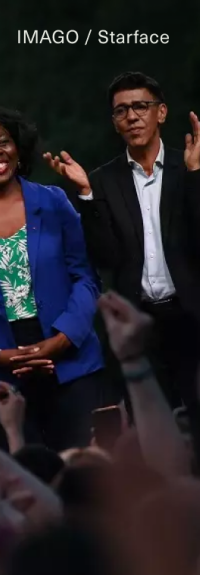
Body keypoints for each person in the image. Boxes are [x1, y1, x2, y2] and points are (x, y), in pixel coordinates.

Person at [43, 72, 200, 447]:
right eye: (121, 110)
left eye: (141, 106)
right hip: (138, 323)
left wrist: (197, 176)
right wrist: (85, 195)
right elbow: (106, 257)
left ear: (161, 113)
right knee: (153, 434)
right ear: (114, 122)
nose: (132, 116)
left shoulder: (190, 166)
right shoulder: (103, 181)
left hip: (193, 316)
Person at [0, 107, 104, 450]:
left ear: (17, 148)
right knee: (26, 479)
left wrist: (60, 341)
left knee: (87, 480)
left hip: (69, 358)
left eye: (3, 141)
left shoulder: (53, 201)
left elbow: (85, 278)